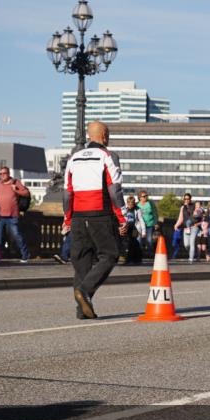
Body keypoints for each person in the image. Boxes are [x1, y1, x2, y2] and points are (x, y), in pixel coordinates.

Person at [63, 121, 127, 319]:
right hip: (100, 214)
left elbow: (67, 193)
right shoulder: (108, 156)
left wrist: (67, 219)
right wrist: (122, 218)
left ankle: (82, 309)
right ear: (105, 135)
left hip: (78, 217)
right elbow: (114, 190)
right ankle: (86, 291)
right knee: (109, 255)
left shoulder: (73, 158)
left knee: (82, 260)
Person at [0, 166, 31, 265]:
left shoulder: (15, 182)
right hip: (0, 216)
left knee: (16, 235)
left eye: (4, 173)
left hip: (12, 216)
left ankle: (25, 255)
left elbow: (26, 193)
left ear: (8, 174)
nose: (2, 175)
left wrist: (16, 190)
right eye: (0, 174)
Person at [174, 193, 196, 260]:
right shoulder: (182, 207)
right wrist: (176, 225)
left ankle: (191, 258)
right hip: (186, 228)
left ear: (190, 199)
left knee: (192, 242)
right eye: (185, 199)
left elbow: (197, 215)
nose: (186, 200)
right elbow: (181, 218)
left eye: (188, 199)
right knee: (186, 244)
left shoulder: (194, 206)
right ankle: (191, 253)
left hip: (193, 227)